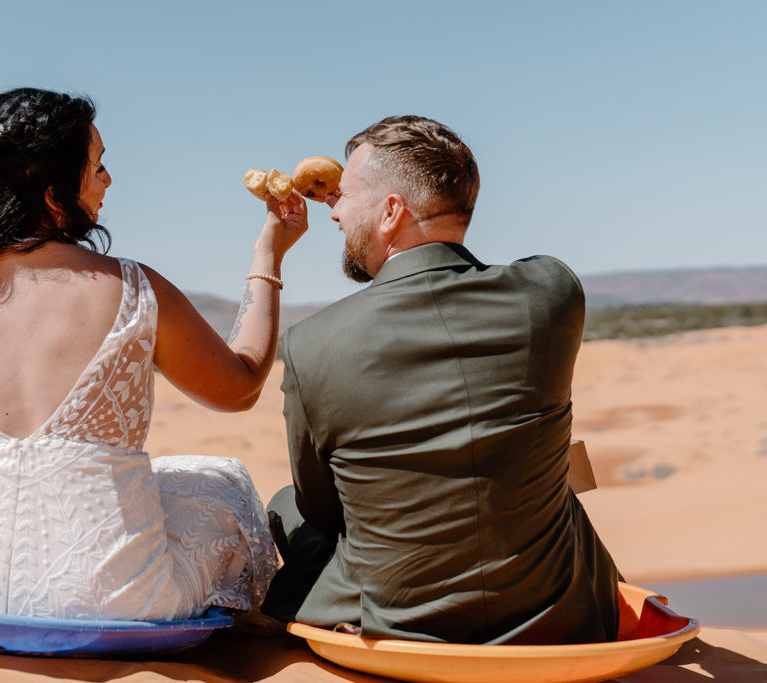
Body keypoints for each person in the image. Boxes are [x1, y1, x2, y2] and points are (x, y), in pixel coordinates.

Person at [0, 87, 307, 621]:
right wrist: (269, 255)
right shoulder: (134, 287)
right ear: (52, 195)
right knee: (220, 486)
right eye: (96, 165)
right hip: (113, 593)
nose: (107, 180)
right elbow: (240, 386)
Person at [259, 115, 621, 644]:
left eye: (343, 196)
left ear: (390, 212)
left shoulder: (312, 343)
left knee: (285, 504)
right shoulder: (552, 292)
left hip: (399, 622)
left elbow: (321, 507)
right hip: (555, 614)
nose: (333, 210)